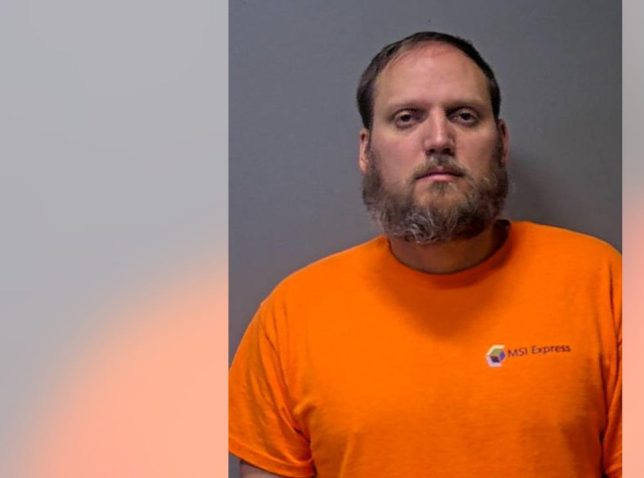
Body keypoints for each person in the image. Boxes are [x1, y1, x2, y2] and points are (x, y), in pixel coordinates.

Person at [229, 31, 622, 478]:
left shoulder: (602, 283)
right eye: (407, 118)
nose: (438, 139)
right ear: (366, 150)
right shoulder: (292, 315)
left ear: (502, 142)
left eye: (464, 116)